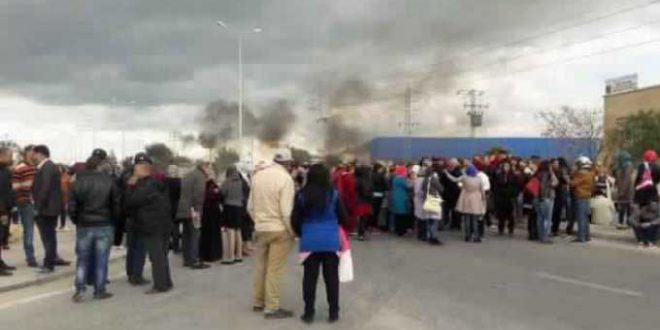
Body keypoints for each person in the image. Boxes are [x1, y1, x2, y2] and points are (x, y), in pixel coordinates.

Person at [291, 164, 347, 324]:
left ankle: (309, 313)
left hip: (309, 240)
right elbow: (344, 217)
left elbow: (295, 220)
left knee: (309, 278)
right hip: (330, 240)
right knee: (331, 278)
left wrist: (303, 233)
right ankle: (333, 312)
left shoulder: (301, 195)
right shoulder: (334, 195)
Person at [248, 149, 296, 320]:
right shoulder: (286, 179)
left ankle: (258, 301)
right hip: (279, 229)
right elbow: (286, 211)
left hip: (261, 228)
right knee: (274, 269)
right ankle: (272, 307)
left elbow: (250, 207)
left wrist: (258, 222)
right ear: (288, 164)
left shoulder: (257, 176)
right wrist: (293, 232)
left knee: (261, 266)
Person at [69, 155, 120, 302]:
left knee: (82, 259)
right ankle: (99, 290)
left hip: (84, 225)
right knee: (101, 259)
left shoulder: (77, 182)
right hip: (104, 224)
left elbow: (71, 207)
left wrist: (77, 220)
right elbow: (116, 206)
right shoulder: (109, 181)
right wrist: (113, 222)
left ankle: (80, 289)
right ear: (99, 166)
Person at [124, 153, 173, 294]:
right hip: (163, 224)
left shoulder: (145, 186)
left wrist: (130, 187)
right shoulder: (156, 183)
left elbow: (130, 203)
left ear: (144, 169)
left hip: (151, 225)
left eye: (137, 168)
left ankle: (160, 285)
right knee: (162, 255)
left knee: (156, 256)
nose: (134, 170)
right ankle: (166, 281)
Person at [32, 145, 70, 273]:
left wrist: (38, 207)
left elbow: (45, 188)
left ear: (40, 153)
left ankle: (49, 264)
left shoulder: (47, 167)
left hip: (47, 209)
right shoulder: (47, 166)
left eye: (34, 154)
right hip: (49, 208)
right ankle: (51, 260)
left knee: (48, 237)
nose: (33, 157)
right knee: (49, 236)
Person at [176, 162, 210, 269]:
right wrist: (198, 209)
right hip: (194, 210)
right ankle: (195, 260)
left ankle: (187, 259)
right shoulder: (199, 177)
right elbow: (198, 194)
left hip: (183, 209)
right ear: (204, 167)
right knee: (195, 235)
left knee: (186, 235)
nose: (209, 171)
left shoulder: (188, 175)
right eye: (209, 168)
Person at [12, 145, 39, 267]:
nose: (35, 154)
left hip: (38, 203)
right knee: (28, 231)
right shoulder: (20, 168)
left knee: (41, 230)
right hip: (26, 203)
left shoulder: (37, 168)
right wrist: (23, 199)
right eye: (33, 152)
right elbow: (15, 188)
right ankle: (30, 257)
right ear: (27, 153)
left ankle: (51, 255)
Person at [220, 166, 247, 264]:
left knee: (230, 231)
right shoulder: (241, 181)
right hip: (239, 207)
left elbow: (222, 192)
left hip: (229, 207)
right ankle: (239, 255)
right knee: (238, 231)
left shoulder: (227, 182)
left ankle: (230, 256)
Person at [455, 165, 486, 243]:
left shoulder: (465, 178)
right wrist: (483, 199)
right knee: (475, 220)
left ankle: (467, 236)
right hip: (476, 199)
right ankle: (476, 237)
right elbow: (482, 190)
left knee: (467, 219)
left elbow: (457, 182)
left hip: (466, 198)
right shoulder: (479, 179)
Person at [414, 166, 444, 245]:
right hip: (433, 199)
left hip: (426, 200)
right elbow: (441, 189)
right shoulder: (434, 179)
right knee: (435, 219)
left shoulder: (424, 180)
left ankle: (428, 235)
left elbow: (423, 190)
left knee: (428, 218)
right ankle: (433, 237)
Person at [0, 147, 17, 276]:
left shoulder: (5, 170)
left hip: (6, 208)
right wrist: (2, 212)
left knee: (2, 237)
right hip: (1, 210)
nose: (11, 158)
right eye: (9, 156)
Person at [570, 157, 595, 243]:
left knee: (581, 217)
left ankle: (581, 237)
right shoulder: (590, 173)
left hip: (580, 196)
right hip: (587, 196)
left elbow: (573, 183)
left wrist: (573, 173)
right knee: (585, 217)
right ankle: (587, 236)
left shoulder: (581, 174)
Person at [535, 161, 558, 244]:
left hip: (538, 198)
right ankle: (545, 236)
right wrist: (551, 173)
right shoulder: (546, 174)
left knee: (540, 217)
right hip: (546, 197)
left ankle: (540, 235)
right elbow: (555, 182)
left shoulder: (538, 174)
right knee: (547, 218)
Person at [494, 161, 519, 236]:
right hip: (501, 198)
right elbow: (496, 187)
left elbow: (516, 187)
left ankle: (510, 229)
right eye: (505, 166)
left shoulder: (513, 176)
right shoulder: (499, 175)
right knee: (501, 215)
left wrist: (514, 195)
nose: (506, 168)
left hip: (510, 198)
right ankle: (500, 229)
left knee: (511, 215)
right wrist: (497, 196)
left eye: (508, 166)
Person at [614, 151, 635, 229]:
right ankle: (624, 222)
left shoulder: (627, 166)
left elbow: (626, 180)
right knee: (625, 206)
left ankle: (624, 222)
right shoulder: (622, 166)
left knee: (625, 206)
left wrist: (622, 191)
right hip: (624, 190)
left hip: (626, 190)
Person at [551, 158, 571, 236]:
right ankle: (555, 228)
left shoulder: (560, 171)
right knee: (557, 211)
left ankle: (554, 228)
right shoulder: (564, 170)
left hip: (558, 192)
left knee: (556, 211)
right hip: (561, 193)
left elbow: (564, 181)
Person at [165, 165, 182, 253]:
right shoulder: (179, 182)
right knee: (176, 226)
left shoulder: (165, 181)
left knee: (167, 226)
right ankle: (176, 246)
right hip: (176, 206)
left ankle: (167, 244)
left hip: (166, 206)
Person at [390, 165, 411, 236]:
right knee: (402, 215)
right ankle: (401, 231)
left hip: (395, 197)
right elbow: (408, 186)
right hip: (401, 198)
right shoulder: (401, 179)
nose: (406, 173)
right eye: (405, 171)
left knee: (397, 214)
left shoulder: (395, 178)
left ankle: (397, 229)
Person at [354, 165, 373, 241]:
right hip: (366, 201)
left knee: (361, 218)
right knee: (364, 218)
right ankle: (361, 233)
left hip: (359, 200)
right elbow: (369, 191)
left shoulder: (357, 179)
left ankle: (360, 233)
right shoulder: (367, 180)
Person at [371, 163, 388, 231]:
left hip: (372, 194)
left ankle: (370, 225)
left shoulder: (371, 175)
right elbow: (386, 186)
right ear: (378, 168)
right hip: (379, 194)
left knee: (372, 210)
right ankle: (375, 226)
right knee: (377, 211)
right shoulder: (381, 176)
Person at [59, 165, 72, 231]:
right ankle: (60, 225)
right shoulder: (57, 177)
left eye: (60, 169)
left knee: (63, 211)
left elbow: (70, 187)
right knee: (60, 211)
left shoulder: (67, 177)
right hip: (58, 197)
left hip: (65, 197)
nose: (59, 170)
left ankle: (63, 225)